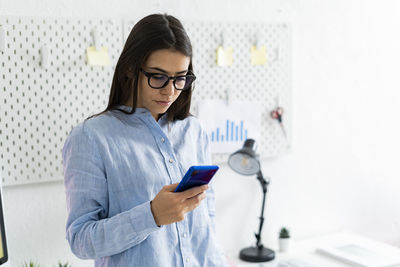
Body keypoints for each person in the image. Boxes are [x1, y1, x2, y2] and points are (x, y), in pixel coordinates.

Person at [62, 14, 229, 266]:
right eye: (158, 77)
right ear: (130, 69)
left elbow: (208, 217)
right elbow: (81, 240)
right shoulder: (91, 137)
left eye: (180, 78)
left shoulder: (193, 130)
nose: (170, 91)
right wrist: (151, 215)